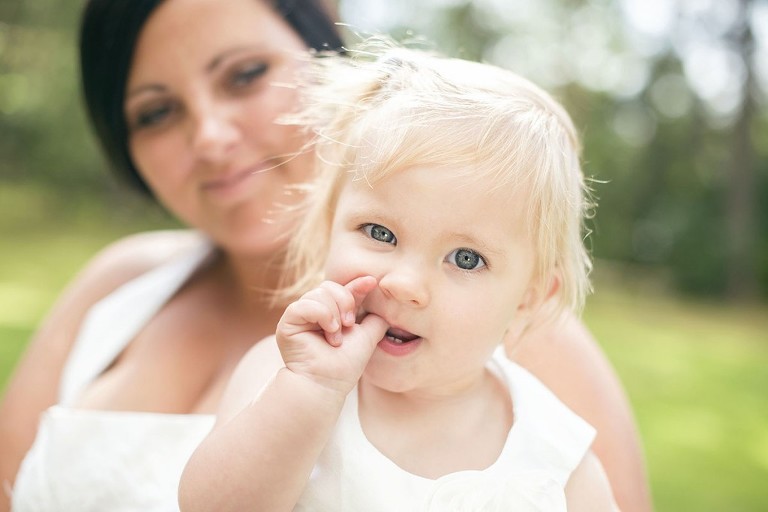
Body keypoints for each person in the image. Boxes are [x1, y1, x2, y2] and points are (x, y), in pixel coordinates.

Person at [0, 0, 651, 511]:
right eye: (157, 111)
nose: (211, 138)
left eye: (245, 74)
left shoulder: (535, 379)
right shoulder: (122, 290)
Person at [179, 45, 620, 511]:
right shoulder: (282, 375)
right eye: (380, 232)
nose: (403, 283)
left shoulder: (557, 462)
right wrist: (311, 392)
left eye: (466, 259)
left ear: (531, 296)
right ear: (329, 224)